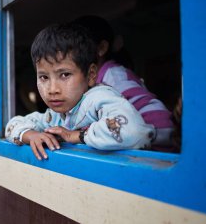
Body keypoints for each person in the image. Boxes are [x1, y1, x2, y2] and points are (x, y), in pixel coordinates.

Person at [5, 24, 155, 160]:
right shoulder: (54, 116)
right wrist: (30, 135)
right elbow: (12, 125)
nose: (52, 89)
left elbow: (136, 132)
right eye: (44, 77)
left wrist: (76, 135)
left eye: (64, 75)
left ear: (90, 75)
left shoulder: (99, 98)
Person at [72, 15, 175, 149]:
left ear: (101, 48)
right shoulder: (98, 78)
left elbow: (162, 123)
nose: (71, 55)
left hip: (157, 138)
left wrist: (157, 135)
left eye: (77, 47)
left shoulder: (114, 76)